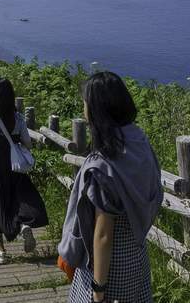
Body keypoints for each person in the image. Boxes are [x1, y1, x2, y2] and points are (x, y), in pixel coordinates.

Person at [58, 72, 161, 303]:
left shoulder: (104, 165)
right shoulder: (141, 145)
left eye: (85, 102)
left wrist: (98, 289)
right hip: (137, 256)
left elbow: (103, 234)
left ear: (96, 110)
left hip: (108, 268)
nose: (83, 108)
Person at [0, 78, 47, 264]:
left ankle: (1, 249)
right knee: (17, 197)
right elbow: (28, 144)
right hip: (13, 165)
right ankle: (22, 225)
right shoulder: (19, 118)